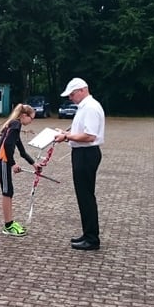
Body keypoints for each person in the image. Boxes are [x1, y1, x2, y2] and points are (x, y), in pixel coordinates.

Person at [54, 78, 105, 251]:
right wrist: (67, 134)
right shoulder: (85, 107)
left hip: (86, 153)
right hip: (82, 153)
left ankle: (92, 238)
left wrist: (66, 136)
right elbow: (81, 133)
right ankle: (88, 233)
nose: (70, 98)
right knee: (84, 196)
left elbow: (89, 136)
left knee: (86, 196)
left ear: (83, 90)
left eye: (72, 94)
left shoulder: (90, 108)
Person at [0, 104, 38, 236]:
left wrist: (34, 164)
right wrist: (13, 164)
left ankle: (10, 222)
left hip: (3, 161)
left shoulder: (15, 125)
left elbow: (21, 150)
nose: (31, 121)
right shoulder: (16, 125)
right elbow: (7, 145)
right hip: (2, 161)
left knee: (9, 191)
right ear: (24, 115)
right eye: (31, 118)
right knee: (7, 192)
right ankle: (8, 225)